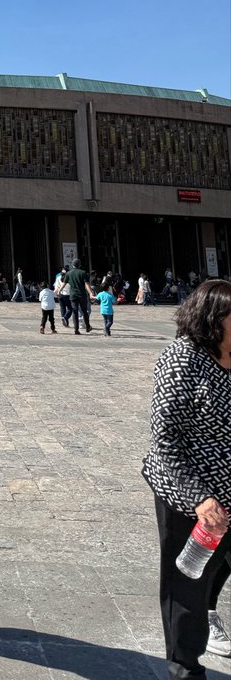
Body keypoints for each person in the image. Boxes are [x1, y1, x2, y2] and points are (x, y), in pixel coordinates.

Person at [142, 280, 231, 678]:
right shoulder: (182, 359)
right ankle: (185, 667)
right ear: (214, 318)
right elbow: (165, 438)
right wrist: (200, 497)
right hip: (191, 499)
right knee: (187, 587)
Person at [64, 257, 94, 334]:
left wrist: (59, 290)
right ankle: (87, 326)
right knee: (84, 311)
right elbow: (86, 284)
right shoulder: (83, 273)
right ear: (80, 265)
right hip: (82, 295)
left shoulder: (68, 273)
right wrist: (90, 292)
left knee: (75, 312)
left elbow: (64, 283)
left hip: (73, 295)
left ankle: (76, 329)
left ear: (72, 265)